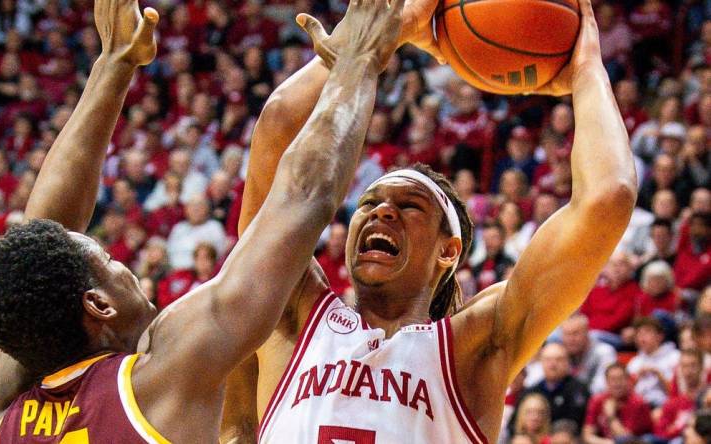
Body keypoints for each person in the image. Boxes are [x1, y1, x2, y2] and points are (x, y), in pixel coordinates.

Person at [0, 0, 405, 443]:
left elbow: (40, 241)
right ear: (99, 305)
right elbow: (303, 198)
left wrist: (113, 65)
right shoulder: (159, 383)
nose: (124, 265)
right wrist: (361, 61)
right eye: (108, 259)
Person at [222, 0, 638, 442]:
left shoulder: (476, 345)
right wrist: (384, 34)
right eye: (369, 203)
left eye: (410, 207)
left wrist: (587, 71)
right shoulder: (292, 313)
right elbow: (279, 123)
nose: (382, 212)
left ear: (448, 250)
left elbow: (607, 198)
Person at [518, 343, 589, 429]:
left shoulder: (579, 390)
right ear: (541, 362)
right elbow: (514, 425)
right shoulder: (530, 392)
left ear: (568, 362)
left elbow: (577, 423)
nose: (552, 365)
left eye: (558, 360)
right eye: (548, 360)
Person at [583, 363, 652, 444]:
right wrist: (608, 443)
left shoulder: (638, 403)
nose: (617, 383)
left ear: (628, 380)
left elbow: (626, 440)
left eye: (620, 379)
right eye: (612, 379)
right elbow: (587, 435)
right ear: (606, 382)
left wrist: (611, 416)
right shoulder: (597, 400)